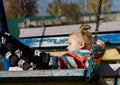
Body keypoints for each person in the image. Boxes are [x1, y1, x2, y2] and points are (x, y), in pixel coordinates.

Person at [0, 25, 105, 71]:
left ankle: (5, 39)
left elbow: (94, 64)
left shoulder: (87, 54)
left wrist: (98, 49)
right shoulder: (77, 56)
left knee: (29, 53)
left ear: (81, 45)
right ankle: (8, 53)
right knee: (27, 62)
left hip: (52, 63)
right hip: (50, 64)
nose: (67, 47)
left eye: (70, 44)